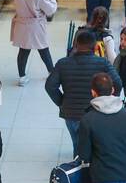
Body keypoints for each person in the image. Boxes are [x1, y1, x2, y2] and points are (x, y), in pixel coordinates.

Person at [46, 27, 121, 156]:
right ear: (94, 47)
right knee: (96, 145)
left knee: (77, 144)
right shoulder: (102, 63)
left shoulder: (63, 63)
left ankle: (78, 167)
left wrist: (62, 102)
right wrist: (109, 101)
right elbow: (118, 83)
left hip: (71, 113)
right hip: (97, 111)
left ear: (75, 45)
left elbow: (50, 86)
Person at [12, 0, 58, 84]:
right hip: (35, 25)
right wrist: (53, 1)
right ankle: (51, 73)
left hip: (21, 23)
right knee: (43, 49)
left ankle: (22, 77)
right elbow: (49, 10)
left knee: (23, 51)